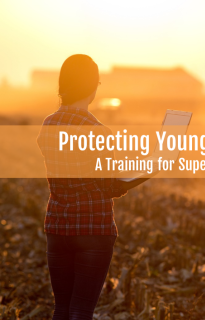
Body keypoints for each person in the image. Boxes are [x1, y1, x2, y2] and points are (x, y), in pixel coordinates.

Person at [37, 54, 128, 320]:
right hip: (93, 228)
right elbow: (108, 184)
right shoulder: (99, 132)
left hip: (58, 225)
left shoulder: (47, 125)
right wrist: (128, 181)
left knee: (62, 309)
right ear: (92, 87)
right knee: (81, 311)